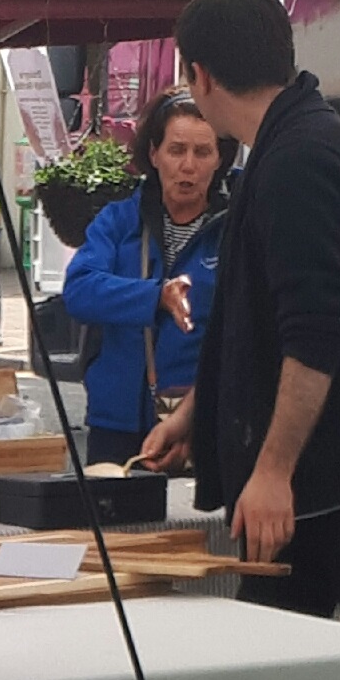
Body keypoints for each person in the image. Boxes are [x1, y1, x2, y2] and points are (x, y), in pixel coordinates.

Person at [140, 0, 340, 637]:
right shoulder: (289, 147)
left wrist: (272, 469)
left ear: (198, 74)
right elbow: (257, 323)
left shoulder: (299, 161)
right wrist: (196, 414)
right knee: (278, 659)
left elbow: (315, 331)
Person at [58, 90, 227, 464]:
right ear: (154, 155)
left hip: (199, 422)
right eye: (176, 150)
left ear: (219, 160)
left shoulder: (234, 231)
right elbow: (79, 290)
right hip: (114, 422)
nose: (188, 166)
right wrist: (155, 296)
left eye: (203, 152)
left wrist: (196, 418)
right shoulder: (119, 220)